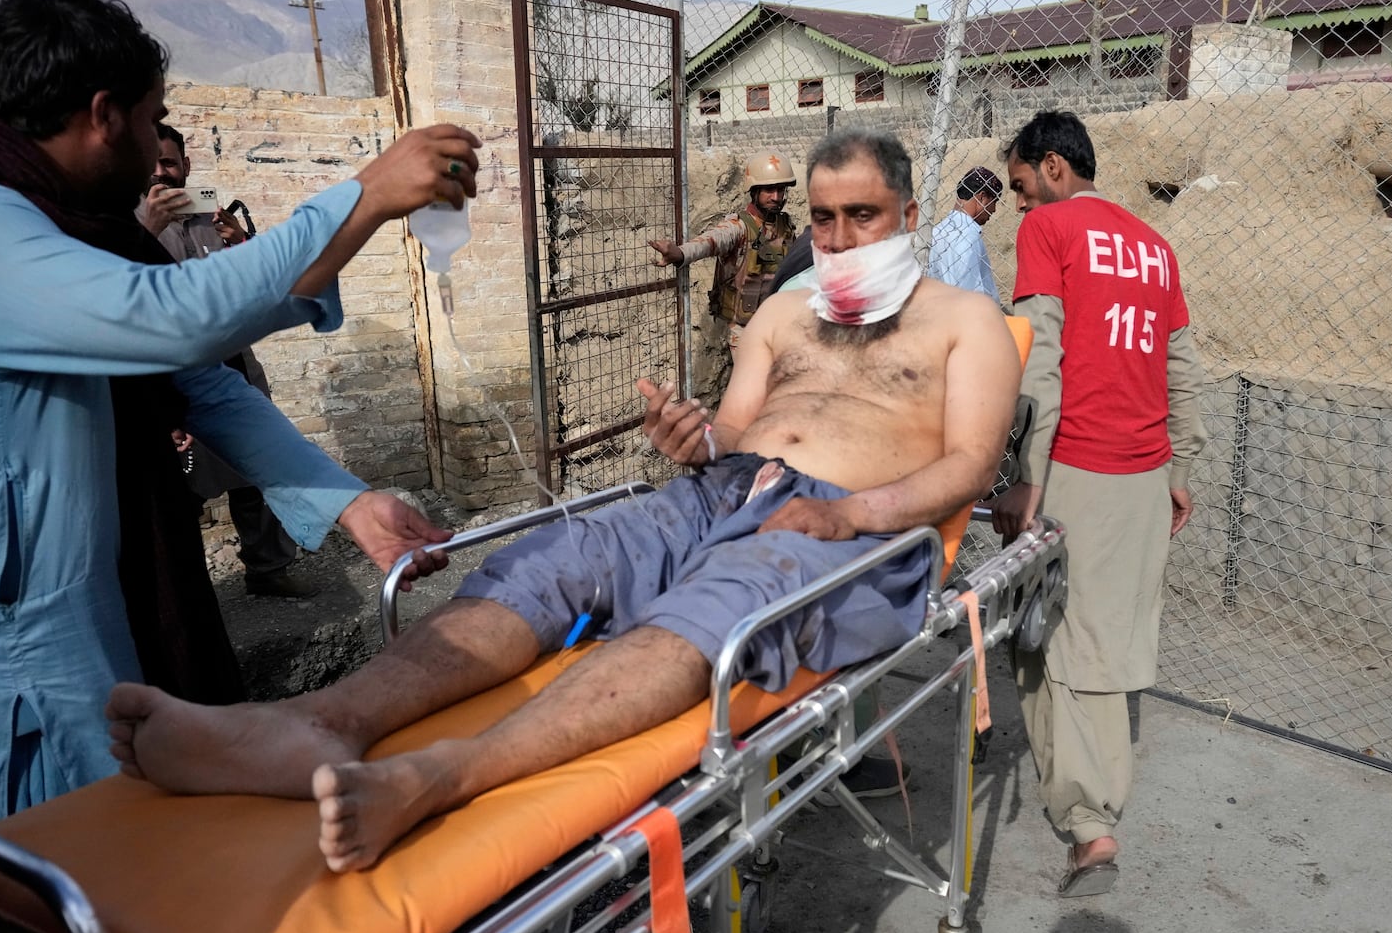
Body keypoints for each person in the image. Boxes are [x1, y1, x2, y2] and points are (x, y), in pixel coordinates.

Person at [106, 127, 1022, 873]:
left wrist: (850, 514)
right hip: (726, 490)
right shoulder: (783, 311)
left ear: (908, 212)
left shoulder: (966, 321)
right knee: (555, 555)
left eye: (861, 215)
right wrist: (692, 438)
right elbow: (732, 435)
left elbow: (971, 467)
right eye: (823, 219)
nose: (836, 238)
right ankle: (322, 720)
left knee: (708, 612)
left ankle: (439, 776)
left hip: (847, 524)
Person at [0, 0, 478, 817]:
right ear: (104, 114)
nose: (157, 151)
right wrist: (362, 197)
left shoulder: (72, 225)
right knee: (74, 859)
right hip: (30, 650)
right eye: (152, 122)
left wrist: (350, 503)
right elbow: (166, 321)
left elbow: (196, 381)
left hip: (111, 602)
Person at [991, 111, 1207, 898]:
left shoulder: (1050, 231)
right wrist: (1181, 465)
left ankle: (1092, 828)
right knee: (1089, 634)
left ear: (1052, 167)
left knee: (1069, 643)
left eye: (1018, 186)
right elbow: (1182, 362)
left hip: (1077, 466)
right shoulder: (1153, 244)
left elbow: (1037, 357)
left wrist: (1026, 474)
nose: (1017, 205)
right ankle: (1081, 799)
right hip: (1145, 473)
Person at [138, 122, 316, 599]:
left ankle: (268, 569)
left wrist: (239, 240)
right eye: (151, 163)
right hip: (171, 379)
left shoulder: (210, 220)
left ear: (186, 167)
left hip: (235, 368)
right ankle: (184, 594)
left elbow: (262, 289)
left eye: (170, 163)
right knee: (181, 491)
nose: (160, 173)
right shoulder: (123, 225)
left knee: (258, 474)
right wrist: (146, 228)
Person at [648, 149, 798, 356]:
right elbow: (712, 241)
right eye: (769, 190)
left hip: (779, 323)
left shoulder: (786, 226)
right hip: (746, 330)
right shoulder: (738, 226)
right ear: (754, 191)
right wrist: (681, 253)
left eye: (781, 190)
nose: (776, 197)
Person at [925, 165, 1003, 304]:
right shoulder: (969, 236)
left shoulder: (938, 231)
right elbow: (970, 293)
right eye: (994, 201)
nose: (994, 210)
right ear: (982, 197)